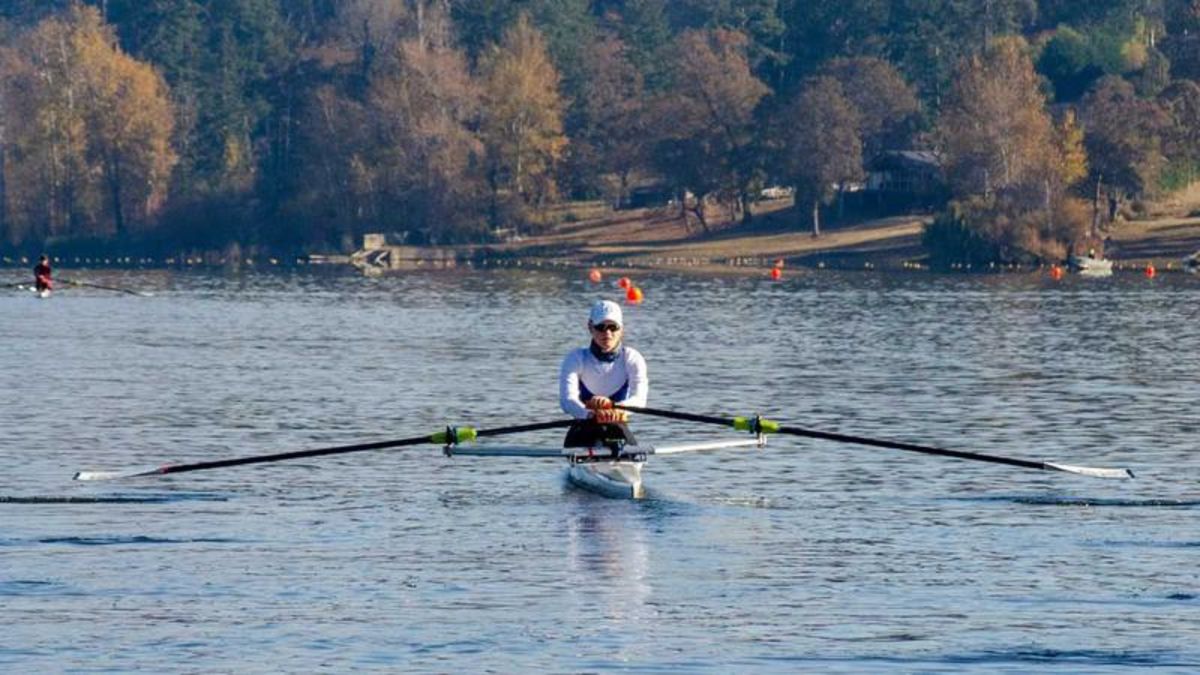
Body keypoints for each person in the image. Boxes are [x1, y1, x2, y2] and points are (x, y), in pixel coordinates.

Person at [559, 299, 648, 449]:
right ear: (590, 327)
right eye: (601, 327)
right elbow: (567, 401)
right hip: (583, 429)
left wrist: (617, 409)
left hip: (617, 428)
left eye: (613, 327)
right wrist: (589, 414)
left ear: (622, 329)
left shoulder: (632, 358)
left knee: (619, 435)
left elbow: (640, 400)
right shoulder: (576, 358)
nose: (607, 333)